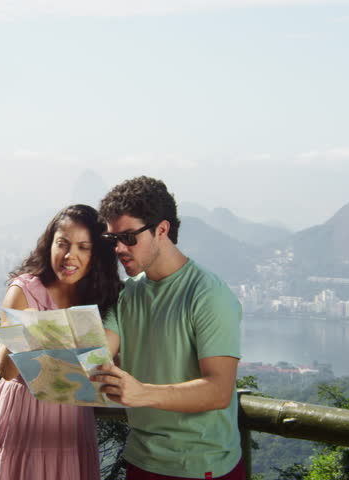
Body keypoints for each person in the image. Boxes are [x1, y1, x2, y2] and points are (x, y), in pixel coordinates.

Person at [92, 176, 245, 480]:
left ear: (161, 230)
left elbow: (219, 391)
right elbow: (99, 353)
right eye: (113, 240)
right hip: (140, 459)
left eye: (129, 237)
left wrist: (141, 392)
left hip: (202, 465)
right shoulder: (125, 294)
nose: (119, 248)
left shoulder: (208, 294)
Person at [0, 204, 122, 480]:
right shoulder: (24, 290)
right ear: (49, 245)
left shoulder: (102, 298)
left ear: (96, 253)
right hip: (21, 416)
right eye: (62, 244)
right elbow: (6, 370)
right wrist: (31, 331)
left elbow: (108, 366)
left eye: (82, 247)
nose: (69, 255)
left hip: (72, 420)